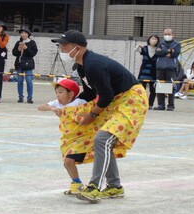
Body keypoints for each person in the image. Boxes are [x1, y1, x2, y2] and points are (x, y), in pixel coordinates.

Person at [51, 30, 148, 203]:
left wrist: (91, 115)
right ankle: (114, 187)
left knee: (102, 139)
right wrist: (69, 106)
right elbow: (90, 92)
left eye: (64, 45)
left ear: (77, 48)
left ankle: (94, 187)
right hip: (118, 101)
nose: (61, 49)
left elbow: (106, 96)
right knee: (102, 141)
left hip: (132, 100)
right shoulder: (82, 66)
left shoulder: (94, 64)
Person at [38, 79, 92, 195]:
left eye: (61, 92)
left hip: (81, 137)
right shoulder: (57, 104)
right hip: (67, 137)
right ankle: (76, 183)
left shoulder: (79, 102)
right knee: (66, 162)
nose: (58, 95)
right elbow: (40, 107)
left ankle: (77, 184)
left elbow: (90, 110)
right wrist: (51, 108)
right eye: (56, 92)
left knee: (68, 161)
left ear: (71, 94)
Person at [153, 28, 181, 111]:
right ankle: (161, 105)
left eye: (169, 34)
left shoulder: (177, 44)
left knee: (171, 86)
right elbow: (158, 53)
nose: (167, 36)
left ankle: (171, 105)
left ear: (173, 35)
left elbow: (175, 53)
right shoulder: (160, 44)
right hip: (160, 67)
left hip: (171, 67)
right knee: (160, 85)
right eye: (165, 34)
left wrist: (164, 52)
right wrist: (169, 51)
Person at [12, 28, 38, 103]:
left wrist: (26, 48)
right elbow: (14, 53)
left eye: (25, 33)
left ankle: (29, 97)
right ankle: (20, 97)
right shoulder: (18, 42)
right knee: (19, 80)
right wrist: (19, 50)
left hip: (28, 64)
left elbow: (33, 54)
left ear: (28, 34)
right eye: (22, 33)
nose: (23, 34)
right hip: (19, 64)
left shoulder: (32, 42)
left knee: (29, 80)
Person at [135, 35, 160, 109]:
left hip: (153, 72)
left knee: (153, 90)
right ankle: (141, 103)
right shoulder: (145, 48)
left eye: (155, 39)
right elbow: (136, 50)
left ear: (157, 41)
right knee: (142, 89)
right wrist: (138, 46)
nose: (153, 40)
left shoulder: (158, 50)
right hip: (144, 71)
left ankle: (150, 104)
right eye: (152, 39)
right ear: (149, 40)